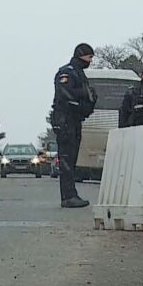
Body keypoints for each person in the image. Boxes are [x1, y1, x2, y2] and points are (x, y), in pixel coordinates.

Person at [52, 43, 98, 208]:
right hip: (65, 120)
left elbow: (87, 95)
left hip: (74, 120)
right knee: (66, 158)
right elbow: (64, 93)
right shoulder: (67, 72)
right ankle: (68, 196)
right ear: (81, 55)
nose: (90, 61)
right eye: (89, 57)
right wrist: (83, 96)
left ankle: (71, 194)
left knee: (72, 159)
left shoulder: (80, 74)